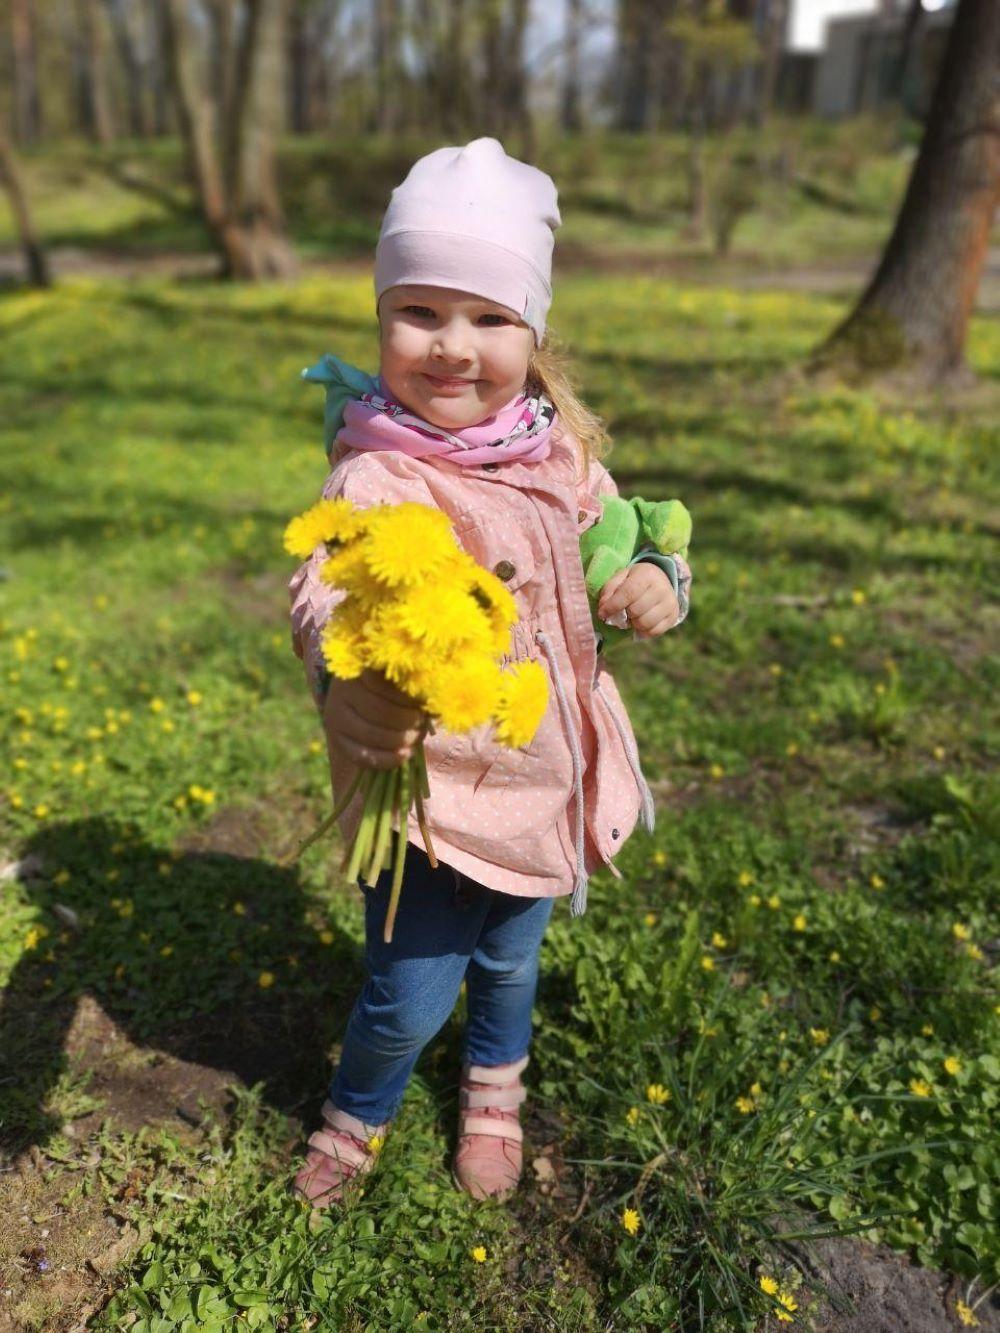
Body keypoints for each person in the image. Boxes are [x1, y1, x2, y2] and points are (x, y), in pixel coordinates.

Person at [287, 138, 692, 1209]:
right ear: (380, 318)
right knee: (407, 995)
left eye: (489, 317)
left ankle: (492, 1095)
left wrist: (657, 579)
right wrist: (347, 675)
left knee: (512, 964)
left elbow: (624, 536)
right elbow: (328, 585)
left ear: (533, 333)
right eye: (420, 311)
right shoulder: (381, 471)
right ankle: (357, 1112)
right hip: (431, 804)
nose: (452, 347)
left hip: (547, 783)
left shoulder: (560, 455)